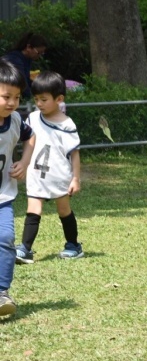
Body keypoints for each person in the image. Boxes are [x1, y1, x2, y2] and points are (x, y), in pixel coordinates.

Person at [14, 71, 81, 264]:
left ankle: (73, 245)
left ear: (59, 99)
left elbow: (74, 153)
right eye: (36, 99)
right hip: (36, 174)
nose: (39, 104)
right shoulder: (33, 118)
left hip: (59, 177)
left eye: (44, 99)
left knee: (64, 211)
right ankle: (25, 249)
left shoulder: (67, 125)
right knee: (33, 209)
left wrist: (75, 178)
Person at [0, 60, 34, 316]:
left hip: (3, 196)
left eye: (17, 97)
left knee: (5, 239)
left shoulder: (14, 121)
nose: (12, 103)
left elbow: (30, 137)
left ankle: (1, 293)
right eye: (6, 96)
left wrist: (23, 161)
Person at [2, 33, 47, 98]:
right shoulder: (14, 60)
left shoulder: (26, 60)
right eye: (38, 52)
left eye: (42, 53)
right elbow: (23, 85)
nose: (39, 56)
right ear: (28, 47)